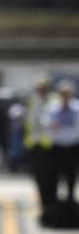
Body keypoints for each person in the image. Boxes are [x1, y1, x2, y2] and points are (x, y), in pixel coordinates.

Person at [22, 76, 57, 224]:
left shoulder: (54, 100)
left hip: (51, 146)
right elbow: (29, 122)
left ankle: (52, 210)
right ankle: (45, 209)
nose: (40, 91)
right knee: (40, 180)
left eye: (42, 88)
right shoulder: (33, 101)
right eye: (38, 88)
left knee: (52, 180)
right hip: (36, 145)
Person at [46, 79, 79, 207]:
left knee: (72, 175)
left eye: (67, 93)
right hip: (57, 146)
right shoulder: (53, 108)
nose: (65, 96)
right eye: (63, 93)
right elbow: (47, 124)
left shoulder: (77, 107)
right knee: (55, 175)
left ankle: (71, 201)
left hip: (73, 146)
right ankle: (55, 204)